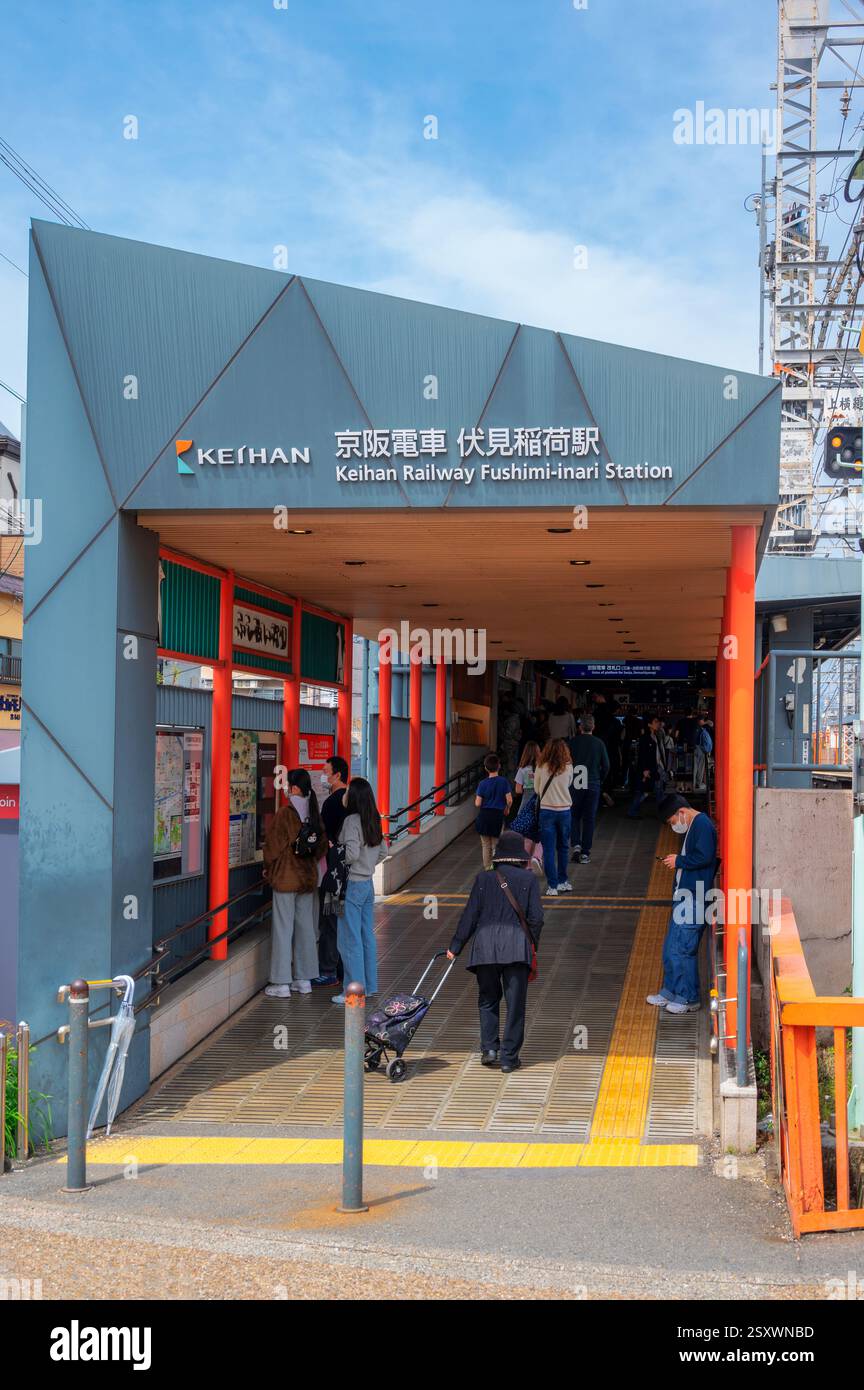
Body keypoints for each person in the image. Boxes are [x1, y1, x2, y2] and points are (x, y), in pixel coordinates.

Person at [447, 830, 544, 1073]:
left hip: (485, 948)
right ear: (520, 857)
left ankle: (490, 1049)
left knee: (488, 999)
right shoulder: (529, 880)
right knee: (515, 1004)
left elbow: (470, 914)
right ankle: (510, 1058)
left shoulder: (483, 879)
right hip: (516, 948)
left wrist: (455, 946)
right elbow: (536, 919)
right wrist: (531, 944)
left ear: (499, 856)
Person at [647, 793, 718, 1015]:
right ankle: (671, 990)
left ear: (682, 813)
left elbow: (705, 857)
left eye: (672, 822)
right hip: (686, 895)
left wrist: (679, 860)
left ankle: (688, 997)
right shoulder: (696, 825)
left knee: (683, 948)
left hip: (694, 897)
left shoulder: (702, 825)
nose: (673, 826)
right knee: (671, 946)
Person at [262, 768, 329, 998]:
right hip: (308, 879)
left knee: (283, 929)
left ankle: (281, 982)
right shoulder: (314, 812)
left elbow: (272, 847)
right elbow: (321, 847)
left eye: (289, 785)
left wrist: (268, 868)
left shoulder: (285, 814)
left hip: (286, 879)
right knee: (306, 929)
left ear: (295, 788)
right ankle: (304, 979)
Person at [333, 777, 388, 1005]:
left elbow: (352, 853)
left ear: (353, 797)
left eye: (347, 792)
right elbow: (383, 851)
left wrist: (339, 856)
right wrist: (368, 866)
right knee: (367, 936)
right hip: (367, 884)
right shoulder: (373, 818)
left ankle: (353, 991)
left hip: (352, 885)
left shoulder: (351, 821)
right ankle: (369, 986)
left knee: (349, 938)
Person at [314, 755, 350, 987]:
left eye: (326, 772)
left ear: (337, 775)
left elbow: (322, 834)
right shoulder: (353, 800)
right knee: (342, 922)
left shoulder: (332, 802)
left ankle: (328, 970)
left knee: (330, 921)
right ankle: (341, 969)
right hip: (349, 875)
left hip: (333, 876)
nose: (323, 776)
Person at [567, 713, 610, 864]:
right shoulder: (599, 743)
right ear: (594, 727)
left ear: (580, 727)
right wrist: (600, 779)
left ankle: (576, 845)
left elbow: (566, 763)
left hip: (576, 781)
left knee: (573, 815)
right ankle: (585, 852)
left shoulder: (572, 742)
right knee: (589, 818)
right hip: (592, 782)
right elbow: (606, 766)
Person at [534, 738, 574, 896]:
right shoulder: (569, 767)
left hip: (547, 812)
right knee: (563, 848)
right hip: (564, 811)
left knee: (549, 850)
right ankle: (563, 881)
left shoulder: (540, 766)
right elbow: (569, 784)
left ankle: (552, 886)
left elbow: (537, 789)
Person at [474, 753, 512, 870]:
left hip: (484, 815)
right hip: (497, 815)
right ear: (499, 766)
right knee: (496, 844)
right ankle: (496, 866)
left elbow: (478, 803)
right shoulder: (504, 781)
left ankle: (487, 867)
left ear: (486, 768)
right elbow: (509, 799)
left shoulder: (482, 784)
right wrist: (507, 808)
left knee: (486, 845)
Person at [627, 714, 667, 817]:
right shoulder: (645, 738)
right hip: (650, 768)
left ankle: (633, 810)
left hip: (655, 767)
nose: (658, 723)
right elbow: (643, 755)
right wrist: (645, 769)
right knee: (648, 791)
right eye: (655, 721)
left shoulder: (655, 736)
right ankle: (663, 813)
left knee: (649, 791)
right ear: (649, 724)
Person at [692, 716, 713, 791]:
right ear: (700, 721)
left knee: (696, 768)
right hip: (701, 749)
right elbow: (711, 724)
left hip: (696, 748)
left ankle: (695, 784)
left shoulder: (696, 728)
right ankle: (698, 784)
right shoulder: (702, 728)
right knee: (700, 768)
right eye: (702, 720)